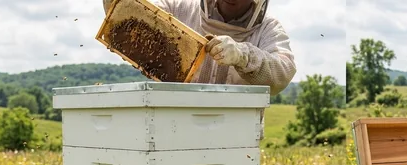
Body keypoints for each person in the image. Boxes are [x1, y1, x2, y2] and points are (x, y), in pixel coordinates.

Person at [102, 0, 296, 96]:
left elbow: (283, 72)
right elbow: (137, 14)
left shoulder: (269, 29)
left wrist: (243, 55)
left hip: (237, 136)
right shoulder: (179, 8)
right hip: (174, 127)